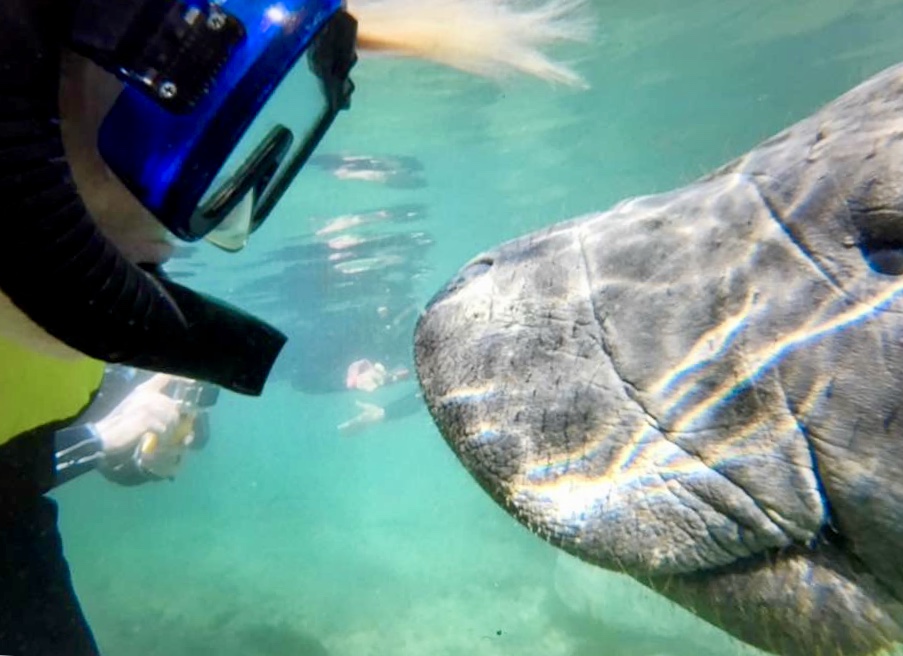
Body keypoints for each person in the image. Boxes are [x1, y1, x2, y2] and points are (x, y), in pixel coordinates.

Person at [0, 0, 590, 653]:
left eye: (223, 161)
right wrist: (92, 443)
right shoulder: (60, 284)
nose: (174, 229)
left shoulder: (85, 298)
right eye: (175, 137)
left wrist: (134, 449)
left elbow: (61, 438)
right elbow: (59, 447)